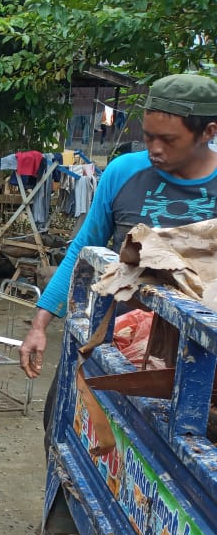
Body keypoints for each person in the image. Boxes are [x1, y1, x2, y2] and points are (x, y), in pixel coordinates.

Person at [20, 74, 217, 383]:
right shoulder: (123, 171)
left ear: (207, 132)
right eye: (150, 136)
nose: (155, 149)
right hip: (110, 339)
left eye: (168, 140)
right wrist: (40, 324)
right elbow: (84, 249)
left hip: (194, 358)